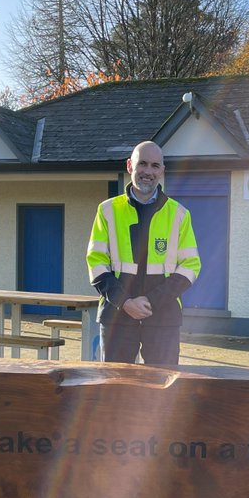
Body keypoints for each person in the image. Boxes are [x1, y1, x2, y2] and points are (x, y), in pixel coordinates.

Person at [85, 141, 201, 367]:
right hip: (117, 316)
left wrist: (151, 301)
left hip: (163, 318)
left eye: (155, 165)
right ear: (130, 166)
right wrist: (125, 301)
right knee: (115, 389)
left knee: (161, 391)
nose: (148, 171)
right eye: (143, 164)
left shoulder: (179, 214)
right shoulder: (107, 210)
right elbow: (96, 262)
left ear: (162, 171)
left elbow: (190, 266)